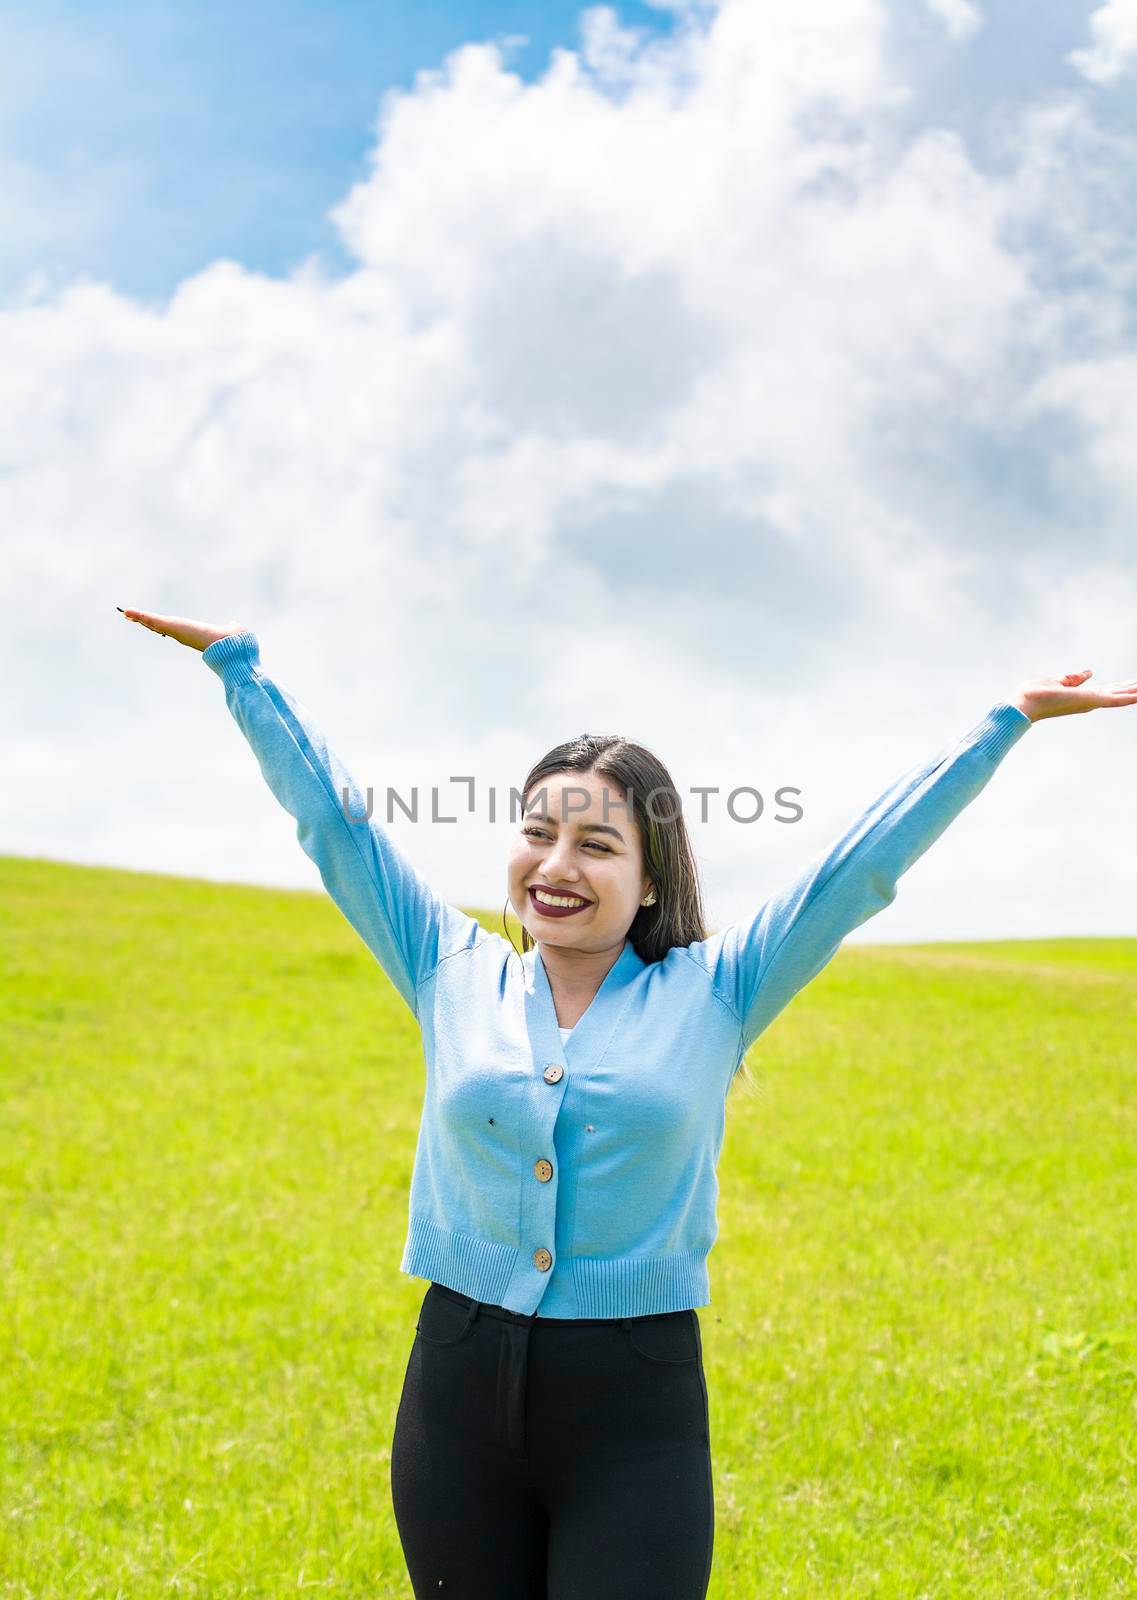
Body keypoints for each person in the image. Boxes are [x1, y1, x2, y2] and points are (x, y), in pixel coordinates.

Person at [119, 606, 1137, 1598]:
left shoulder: (719, 988)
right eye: (536, 833)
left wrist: (1007, 720)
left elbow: (858, 866)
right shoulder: (446, 966)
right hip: (456, 1387)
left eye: (597, 846)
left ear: (650, 881)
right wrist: (240, 670)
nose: (556, 866)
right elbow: (334, 825)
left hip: (634, 1406)